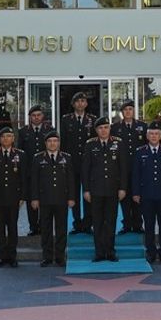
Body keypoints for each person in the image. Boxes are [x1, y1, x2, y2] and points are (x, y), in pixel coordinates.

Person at [81, 116, 129, 262]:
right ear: (96, 130)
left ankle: (110, 251)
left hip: (113, 190)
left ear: (110, 128)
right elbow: (85, 170)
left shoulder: (118, 143)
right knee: (97, 222)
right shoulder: (90, 145)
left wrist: (122, 188)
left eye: (106, 127)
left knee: (111, 221)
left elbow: (123, 168)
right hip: (96, 191)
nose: (104, 130)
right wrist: (86, 190)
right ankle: (99, 253)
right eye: (101, 128)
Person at [132, 123, 161, 264]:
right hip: (146, 196)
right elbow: (136, 175)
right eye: (151, 134)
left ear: (160, 136)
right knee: (149, 225)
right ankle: (151, 252)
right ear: (147, 136)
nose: (154, 136)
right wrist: (136, 193)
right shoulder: (140, 152)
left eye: (156, 134)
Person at [30, 131, 74, 267]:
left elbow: (71, 180)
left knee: (61, 229)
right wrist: (34, 198)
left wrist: (71, 197)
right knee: (46, 229)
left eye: (55, 141)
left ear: (59, 143)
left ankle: (60, 257)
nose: (52, 143)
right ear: (45, 143)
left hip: (61, 199)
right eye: (50, 141)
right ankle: (47, 256)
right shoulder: (38, 158)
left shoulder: (67, 158)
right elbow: (34, 180)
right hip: (45, 200)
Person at [0, 126, 24, 267]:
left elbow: (23, 177)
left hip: (14, 198)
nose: (6, 139)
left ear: (13, 139)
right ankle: (2, 256)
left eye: (9, 136)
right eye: (3, 136)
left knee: (12, 227)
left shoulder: (20, 154)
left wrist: (22, 197)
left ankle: (12, 256)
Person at [61, 92, 96, 234]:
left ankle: (88, 224)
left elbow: (95, 143)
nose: (80, 103)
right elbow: (63, 143)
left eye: (83, 101)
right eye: (77, 101)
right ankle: (77, 223)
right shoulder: (66, 120)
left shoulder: (93, 119)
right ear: (73, 104)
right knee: (73, 194)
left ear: (86, 104)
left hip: (89, 164)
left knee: (88, 193)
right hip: (72, 164)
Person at [111, 100, 147, 234]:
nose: (128, 112)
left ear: (134, 111)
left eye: (130, 109)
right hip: (122, 168)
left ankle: (138, 224)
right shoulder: (114, 128)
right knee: (124, 196)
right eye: (125, 110)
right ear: (122, 112)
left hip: (138, 167)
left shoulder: (142, 126)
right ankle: (126, 224)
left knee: (137, 195)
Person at [18, 105, 52, 236]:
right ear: (30, 117)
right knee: (31, 200)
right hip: (29, 172)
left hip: (46, 171)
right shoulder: (23, 132)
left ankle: (44, 226)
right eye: (33, 115)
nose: (36, 117)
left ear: (42, 116)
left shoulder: (49, 130)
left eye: (38, 115)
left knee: (45, 200)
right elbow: (20, 152)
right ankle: (33, 226)